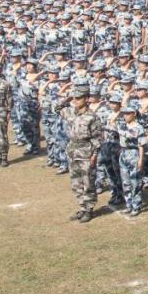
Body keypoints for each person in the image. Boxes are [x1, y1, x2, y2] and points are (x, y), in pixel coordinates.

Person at [62, 84, 103, 222]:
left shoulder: (92, 117)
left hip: (86, 151)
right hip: (73, 150)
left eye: (79, 98)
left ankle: (89, 209)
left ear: (86, 99)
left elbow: (98, 138)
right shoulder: (71, 112)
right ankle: (82, 207)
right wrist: (67, 98)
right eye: (75, 97)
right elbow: (56, 108)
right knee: (76, 182)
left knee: (88, 182)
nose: (75, 100)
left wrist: (94, 155)